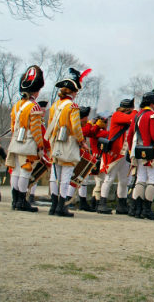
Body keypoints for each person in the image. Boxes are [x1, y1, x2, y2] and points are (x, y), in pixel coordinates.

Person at [46, 67, 91, 217]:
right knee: (66, 175)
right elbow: (76, 127)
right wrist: (82, 141)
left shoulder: (55, 106)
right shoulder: (72, 106)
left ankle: (53, 206)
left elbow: (50, 124)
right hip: (68, 142)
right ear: (72, 92)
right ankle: (61, 207)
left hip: (55, 141)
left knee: (55, 174)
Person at [5, 65, 46, 213]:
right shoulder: (34, 107)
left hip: (15, 141)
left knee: (15, 171)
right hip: (27, 143)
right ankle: (22, 201)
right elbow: (36, 129)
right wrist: (40, 145)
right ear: (36, 90)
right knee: (25, 172)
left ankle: (15, 201)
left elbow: (12, 125)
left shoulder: (17, 105)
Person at [128, 90, 154, 221]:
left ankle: (136, 209)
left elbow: (130, 135)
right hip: (151, 151)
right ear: (152, 103)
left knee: (140, 179)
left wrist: (130, 150)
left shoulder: (137, 115)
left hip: (137, 150)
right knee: (153, 180)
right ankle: (147, 210)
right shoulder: (151, 115)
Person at [99, 98, 136, 214]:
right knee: (109, 179)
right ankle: (102, 203)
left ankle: (122, 205)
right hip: (114, 154)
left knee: (124, 180)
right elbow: (131, 118)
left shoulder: (124, 116)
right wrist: (135, 111)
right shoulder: (117, 115)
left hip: (124, 154)